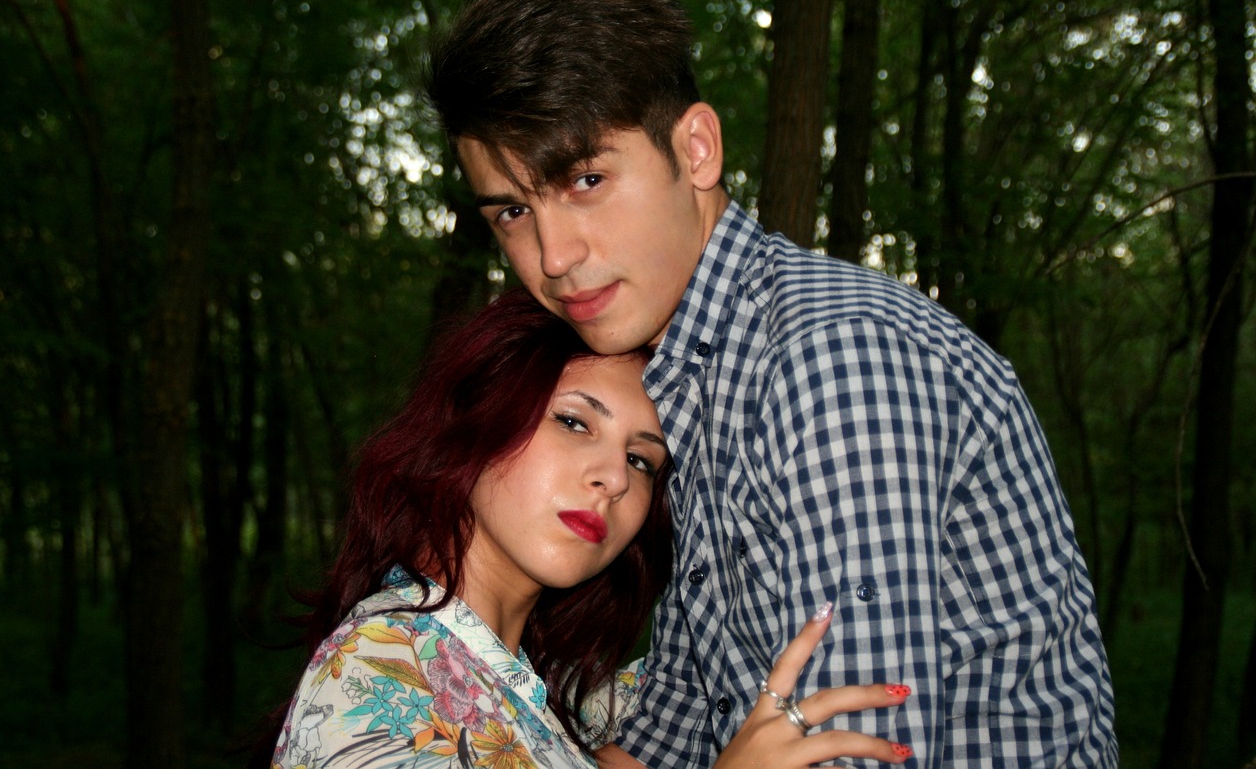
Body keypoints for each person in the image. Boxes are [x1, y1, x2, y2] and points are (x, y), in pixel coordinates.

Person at [425, 0, 1118, 767]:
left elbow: (863, 752)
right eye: (515, 211)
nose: (553, 256)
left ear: (696, 149)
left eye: (586, 180)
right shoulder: (693, 378)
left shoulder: (829, 362)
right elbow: (681, 716)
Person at [265, 289, 913, 768]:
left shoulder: (560, 699)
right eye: (575, 422)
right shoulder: (379, 672)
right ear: (477, 421)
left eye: (642, 459)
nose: (615, 478)